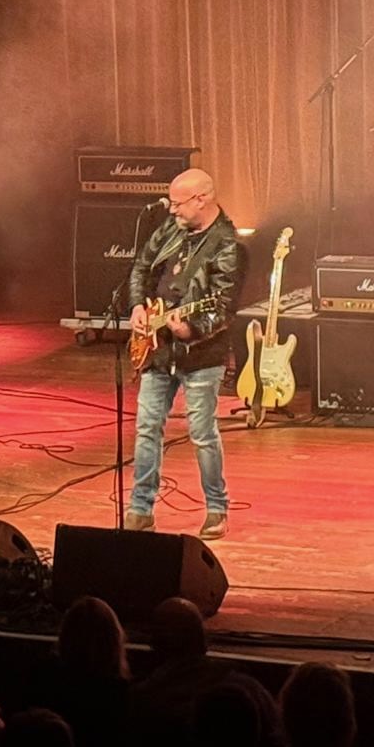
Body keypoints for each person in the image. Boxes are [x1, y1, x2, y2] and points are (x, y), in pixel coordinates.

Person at [125, 168, 246, 539]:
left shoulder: (228, 245)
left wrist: (189, 329)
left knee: (203, 433)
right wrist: (138, 306)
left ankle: (216, 509)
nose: (172, 209)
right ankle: (140, 509)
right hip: (158, 350)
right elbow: (140, 267)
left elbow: (223, 308)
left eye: (178, 203)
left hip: (201, 357)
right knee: (147, 428)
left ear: (201, 199)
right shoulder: (171, 229)